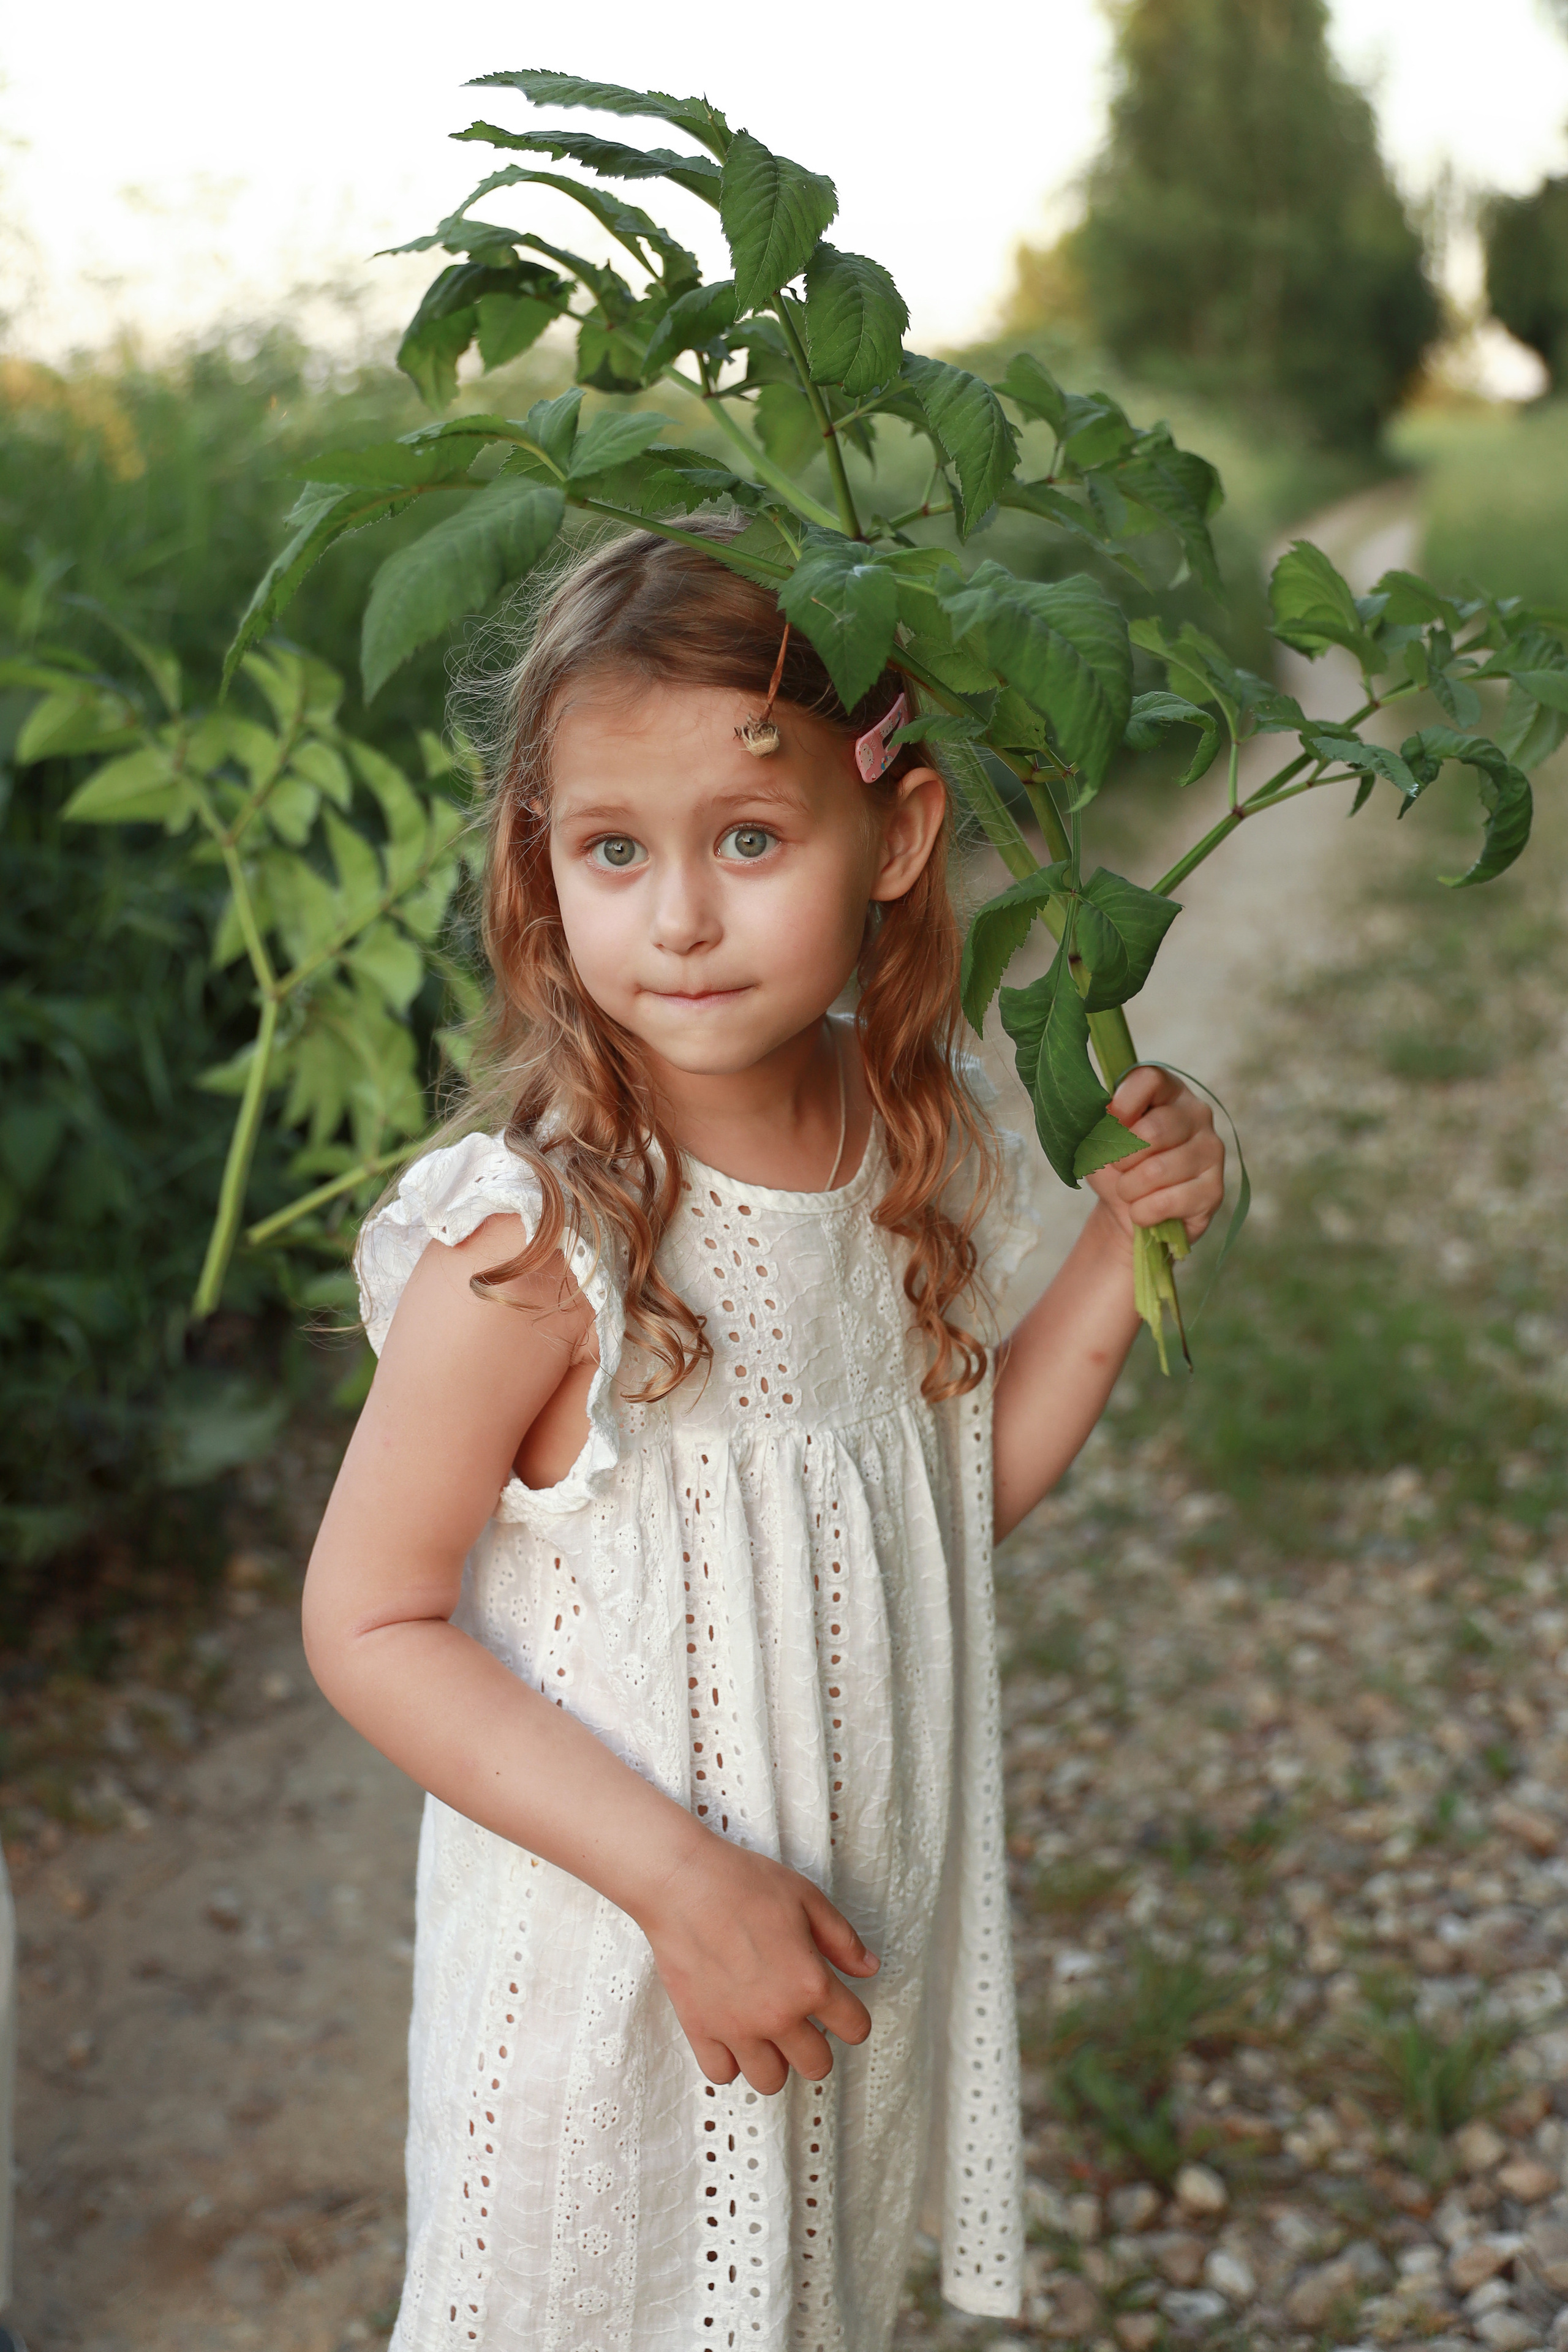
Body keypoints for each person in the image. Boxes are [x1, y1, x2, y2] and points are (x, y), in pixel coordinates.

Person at [303, 526, 1224, 2351]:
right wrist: (676, 1879)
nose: (683, 916)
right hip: (605, 1991)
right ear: (540, 868)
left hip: (831, 1955)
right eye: (613, 851)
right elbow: (370, 1622)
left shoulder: (912, 1161)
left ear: (895, 837)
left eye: (749, 837)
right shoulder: (538, 1240)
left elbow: (937, 1508)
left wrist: (1130, 1242)